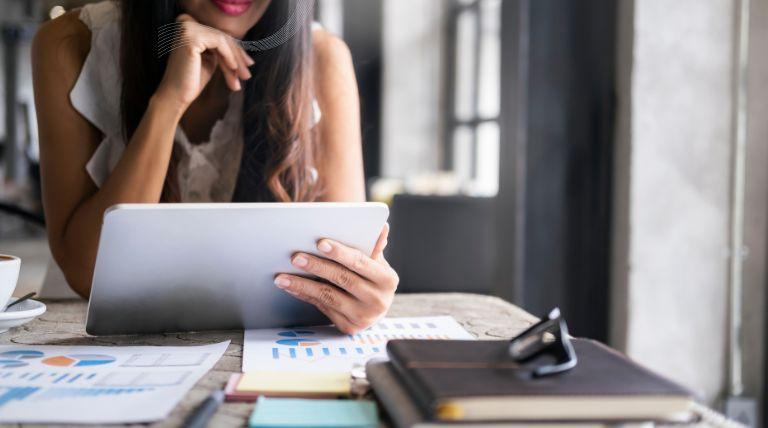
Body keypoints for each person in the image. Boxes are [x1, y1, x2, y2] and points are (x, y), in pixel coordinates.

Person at [31, 0, 398, 333]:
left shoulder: (322, 58)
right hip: (87, 338)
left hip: (259, 344)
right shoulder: (71, 44)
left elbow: (347, 267)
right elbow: (87, 274)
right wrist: (168, 104)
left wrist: (360, 295)